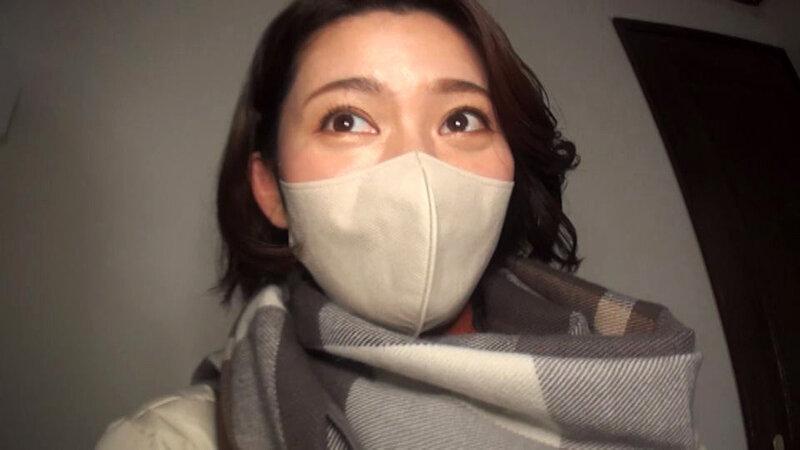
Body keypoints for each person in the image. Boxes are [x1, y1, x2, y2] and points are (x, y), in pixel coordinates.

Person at [97, 0, 702, 449]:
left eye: (461, 119)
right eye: (346, 120)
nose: (417, 167)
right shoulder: (168, 441)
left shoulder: (638, 390)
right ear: (271, 190)